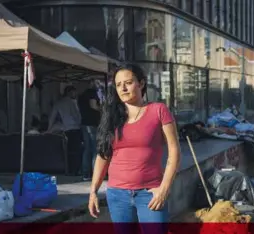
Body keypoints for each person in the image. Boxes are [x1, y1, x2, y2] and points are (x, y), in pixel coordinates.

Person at [88, 64, 181, 234]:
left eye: (128, 82)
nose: (123, 88)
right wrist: (93, 190)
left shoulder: (158, 110)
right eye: (118, 84)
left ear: (141, 83)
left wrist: (164, 189)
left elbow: (174, 152)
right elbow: (103, 155)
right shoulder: (112, 116)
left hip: (150, 193)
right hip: (117, 195)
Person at [48, 86, 82, 176]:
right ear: (70, 92)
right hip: (75, 128)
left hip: (66, 129)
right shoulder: (72, 103)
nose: (75, 94)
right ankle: (76, 170)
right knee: (77, 151)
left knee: (68, 151)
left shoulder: (58, 103)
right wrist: (79, 124)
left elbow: (52, 118)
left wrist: (49, 129)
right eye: (74, 92)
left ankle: (69, 169)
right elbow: (76, 116)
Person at [78, 80, 101, 181]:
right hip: (92, 123)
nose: (98, 84)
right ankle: (95, 173)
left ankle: (85, 174)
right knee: (95, 149)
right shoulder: (92, 93)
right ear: (91, 83)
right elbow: (93, 105)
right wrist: (103, 109)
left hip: (84, 123)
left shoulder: (81, 95)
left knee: (87, 149)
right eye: (96, 82)